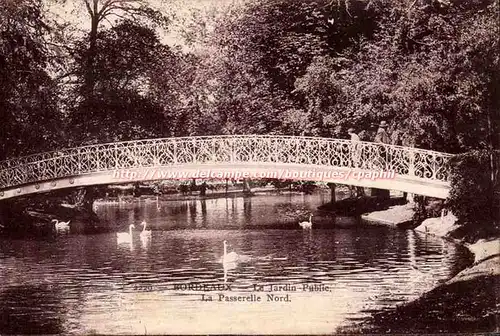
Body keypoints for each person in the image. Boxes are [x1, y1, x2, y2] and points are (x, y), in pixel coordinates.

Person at [347, 128, 365, 197]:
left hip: (357, 151)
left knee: (355, 159)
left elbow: (354, 144)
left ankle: (356, 166)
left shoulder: (353, 136)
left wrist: (353, 150)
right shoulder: (356, 135)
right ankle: (359, 192)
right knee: (356, 159)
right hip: (358, 150)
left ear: (349, 132)